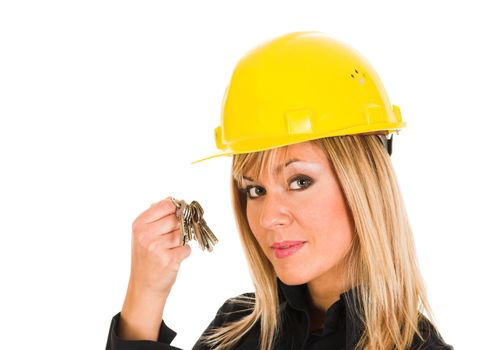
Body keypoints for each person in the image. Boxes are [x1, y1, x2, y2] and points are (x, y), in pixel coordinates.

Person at [105, 31, 454, 350]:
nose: (270, 217)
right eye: (255, 190)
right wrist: (145, 294)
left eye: (299, 182)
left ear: (365, 184)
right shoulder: (236, 330)